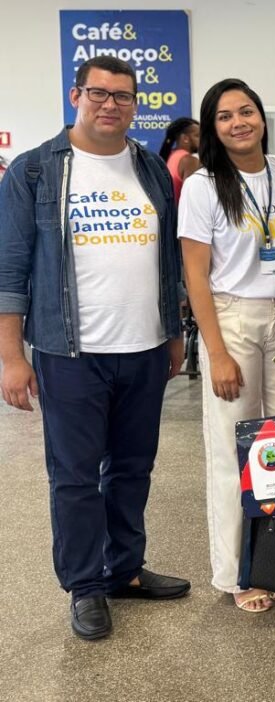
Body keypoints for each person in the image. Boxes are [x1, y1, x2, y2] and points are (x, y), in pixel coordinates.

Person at [0, 55, 188, 641]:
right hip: (69, 353)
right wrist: (11, 357)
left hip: (145, 347)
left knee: (132, 469)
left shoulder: (150, 167)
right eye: (99, 94)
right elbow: (9, 269)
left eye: (123, 96)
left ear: (135, 105)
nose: (111, 105)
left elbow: (169, 261)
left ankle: (124, 570)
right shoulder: (34, 171)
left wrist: (174, 333)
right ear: (76, 95)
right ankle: (85, 585)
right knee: (75, 477)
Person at [178, 79, 275, 613]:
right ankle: (236, 574)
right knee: (236, 452)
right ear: (213, 128)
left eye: (246, 111)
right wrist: (217, 353)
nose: (238, 123)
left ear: (262, 117)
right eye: (225, 116)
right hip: (233, 318)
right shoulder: (203, 185)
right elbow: (195, 275)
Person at [159, 117, 201, 202]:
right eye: (197, 136)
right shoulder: (189, 161)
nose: (202, 140)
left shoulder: (171, 155)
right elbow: (192, 199)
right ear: (185, 139)